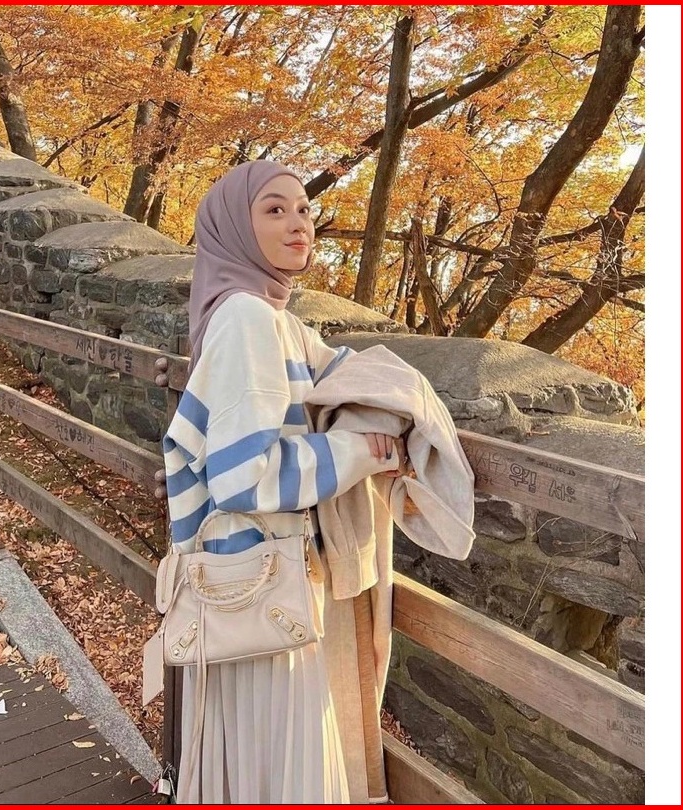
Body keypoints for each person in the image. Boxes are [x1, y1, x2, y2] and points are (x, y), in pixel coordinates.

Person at [162, 160, 408, 804]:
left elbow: (342, 374)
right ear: (234, 228)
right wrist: (355, 451)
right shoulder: (247, 318)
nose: (298, 223)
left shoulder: (275, 320)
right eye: (274, 210)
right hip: (268, 586)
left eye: (303, 209)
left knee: (256, 764)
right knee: (286, 761)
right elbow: (242, 476)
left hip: (248, 585)